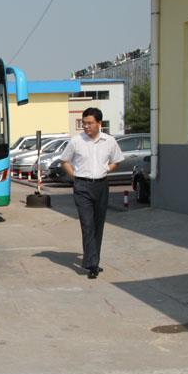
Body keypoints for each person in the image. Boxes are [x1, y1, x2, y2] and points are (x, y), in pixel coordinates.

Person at [60, 107, 124, 279]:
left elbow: (117, 160)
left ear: (99, 123)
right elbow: (64, 161)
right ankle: (92, 265)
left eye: (90, 123)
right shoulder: (76, 141)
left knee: (98, 224)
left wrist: (106, 169)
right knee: (87, 224)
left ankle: (93, 259)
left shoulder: (109, 141)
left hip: (101, 185)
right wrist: (74, 177)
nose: (86, 126)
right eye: (84, 123)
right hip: (82, 186)